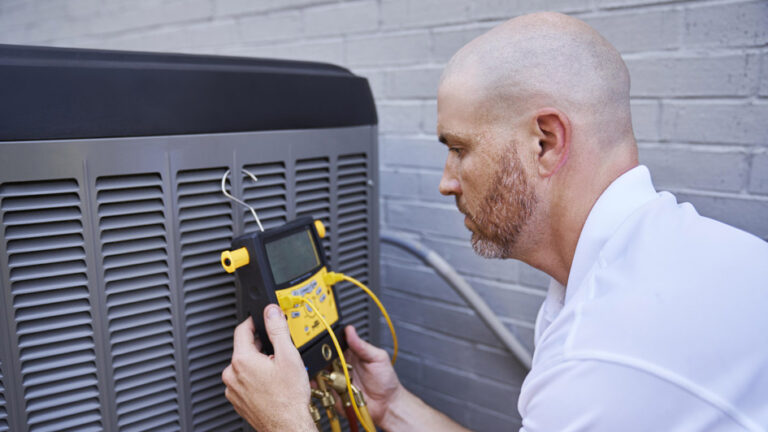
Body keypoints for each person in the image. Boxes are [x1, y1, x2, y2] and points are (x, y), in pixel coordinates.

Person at [222, 12, 768, 431]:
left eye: (459, 148)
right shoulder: (671, 257)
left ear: (545, 142)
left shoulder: (607, 352)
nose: (446, 180)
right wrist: (393, 408)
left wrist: (288, 422)